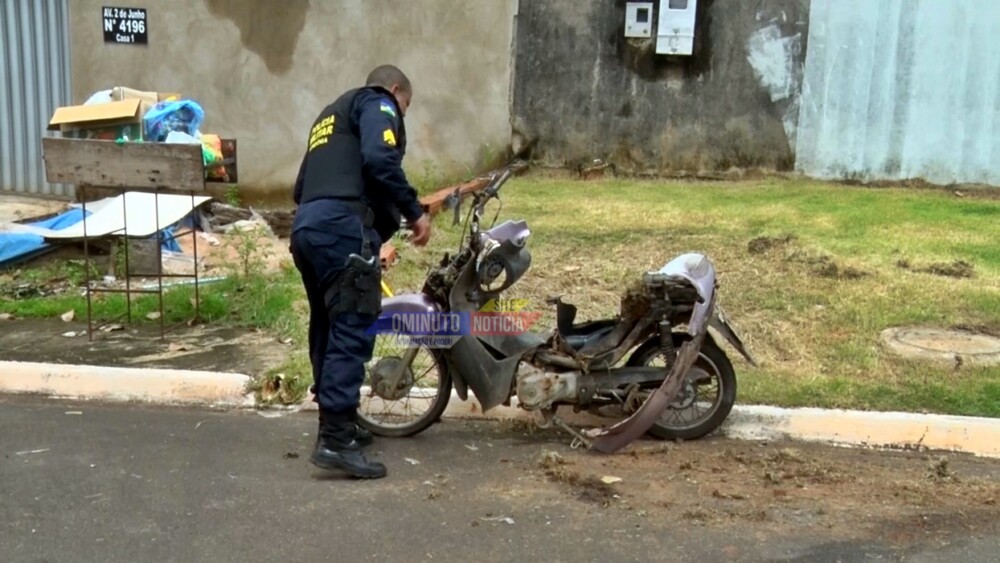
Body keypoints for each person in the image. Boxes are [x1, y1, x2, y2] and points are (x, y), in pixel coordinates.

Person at [290, 65, 432, 479]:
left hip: (308, 228)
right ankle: (335, 441)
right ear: (395, 89)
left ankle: (338, 422)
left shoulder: (328, 117)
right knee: (352, 325)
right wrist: (414, 211)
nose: (401, 114)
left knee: (328, 325)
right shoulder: (377, 102)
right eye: (405, 105)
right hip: (340, 229)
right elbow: (379, 157)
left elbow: (300, 187)